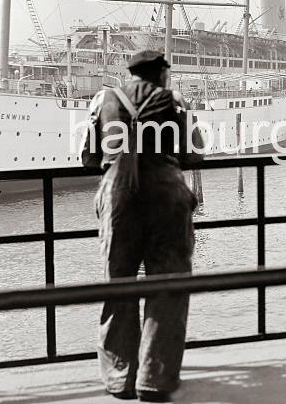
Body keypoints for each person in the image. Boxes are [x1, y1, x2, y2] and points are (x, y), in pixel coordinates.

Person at [81, 50, 204, 402]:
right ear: (162, 74)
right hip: (166, 196)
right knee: (168, 285)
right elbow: (194, 154)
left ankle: (120, 378)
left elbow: (89, 157)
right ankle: (155, 378)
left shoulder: (103, 99)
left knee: (117, 284)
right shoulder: (175, 102)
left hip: (118, 198)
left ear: (131, 74)